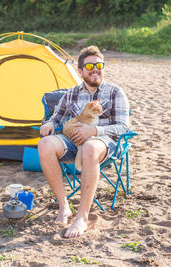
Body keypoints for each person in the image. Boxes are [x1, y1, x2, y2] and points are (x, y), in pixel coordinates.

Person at [38, 45, 130, 238]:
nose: (95, 69)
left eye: (99, 65)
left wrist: (94, 130)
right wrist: (47, 124)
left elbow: (123, 127)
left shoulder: (115, 92)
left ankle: (83, 216)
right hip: (74, 142)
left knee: (89, 147)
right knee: (44, 144)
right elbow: (55, 118)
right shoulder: (71, 93)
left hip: (105, 143)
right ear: (80, 71)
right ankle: (64, 206)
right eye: (89, 66)